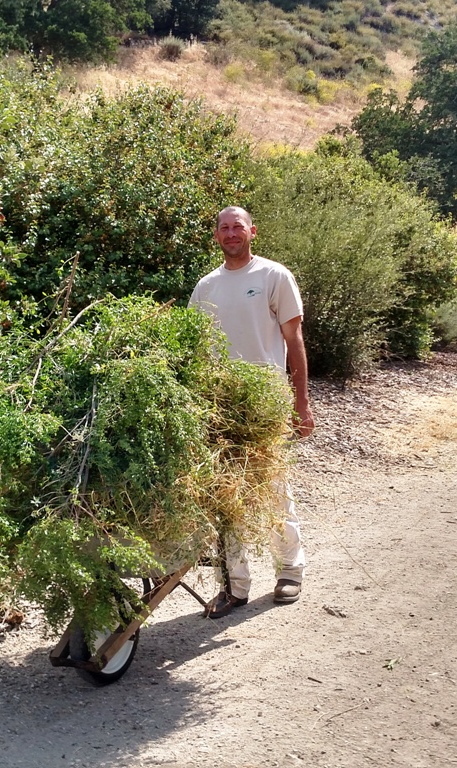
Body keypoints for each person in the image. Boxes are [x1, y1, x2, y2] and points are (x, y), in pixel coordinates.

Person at [189, 206, 315, 619]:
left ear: (252, 232)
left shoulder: (273, 276)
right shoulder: (206, 287)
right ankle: (235, 587)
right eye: (224, 228)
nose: (231, 233)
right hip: (220, 406)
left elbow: (293, 340)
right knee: (226, 498)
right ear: (216, 236)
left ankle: (290, 570)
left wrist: (301, 402)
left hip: (267, 403)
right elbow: (193, 349)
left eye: (237, 227)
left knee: (274, 489)